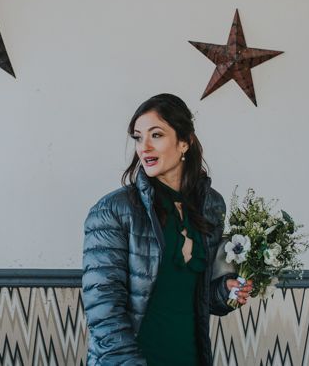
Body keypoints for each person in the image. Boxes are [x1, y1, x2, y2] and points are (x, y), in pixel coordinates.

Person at [82, 93, 253, 365]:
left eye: (156, 135)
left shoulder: (211, 205)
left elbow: (196, 294)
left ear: (185, 142)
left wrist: (225, 291)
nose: (144, 147)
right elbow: (103, 309)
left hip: (189, 357)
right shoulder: (112, 210)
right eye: (138, 137)